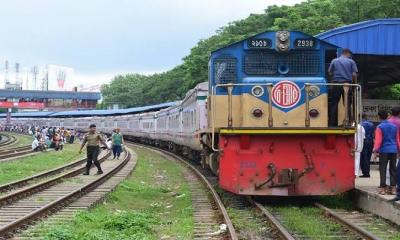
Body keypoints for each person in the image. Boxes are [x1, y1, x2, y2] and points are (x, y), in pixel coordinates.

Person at [328, 48, 358, 126]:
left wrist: (335, 78)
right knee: (347, 104)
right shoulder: (351, 61)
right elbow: (354, 74)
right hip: (347, 85)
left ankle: (332, 123)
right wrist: (354, 84)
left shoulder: (334, 61)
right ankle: (348, 123)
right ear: (347, 53)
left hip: (336, 84)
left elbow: (330, 72)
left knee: (334, 104)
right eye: (350, 55)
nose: (350, 56)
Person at [373, 110, 400, 195]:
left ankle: (383, 188)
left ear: (379, 117)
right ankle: (393, 189)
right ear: (387, 116)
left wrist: (375, 151)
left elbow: (378, 141)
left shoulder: (380, 127)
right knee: (393, 169)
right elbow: (397, 139)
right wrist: (398, 149)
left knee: (383, 169)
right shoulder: (394, 127)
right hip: (393, 150)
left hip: (384, 150)